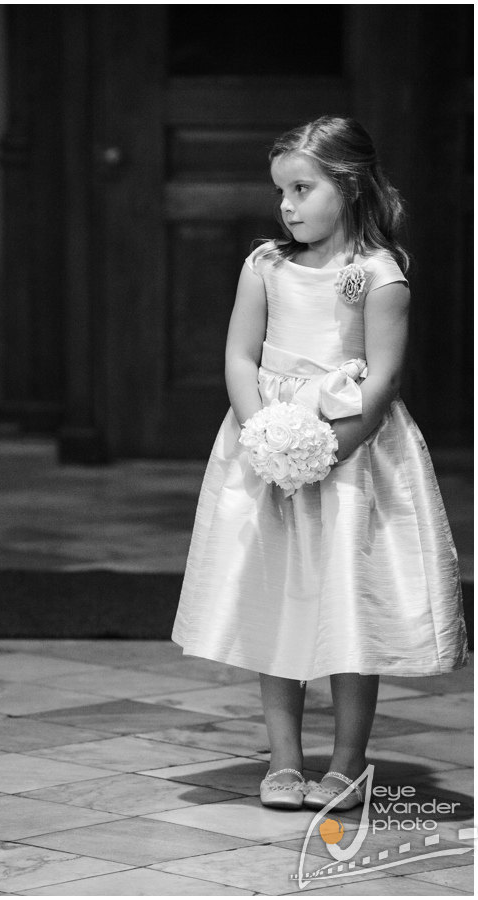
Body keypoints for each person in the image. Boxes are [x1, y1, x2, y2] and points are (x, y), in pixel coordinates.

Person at [171, 117, 468, 811]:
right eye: (281, 191)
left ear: (350, 186)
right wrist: (263, 435)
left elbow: (382, 381)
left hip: (351, 458)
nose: (286, 206)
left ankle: (346, 762)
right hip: (266, 451)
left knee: (345, 602)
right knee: (277, 598)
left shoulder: (378, 276)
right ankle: (283, 759)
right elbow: (238, 355)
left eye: (302, 189)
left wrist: (329, 450)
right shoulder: (265, 266)